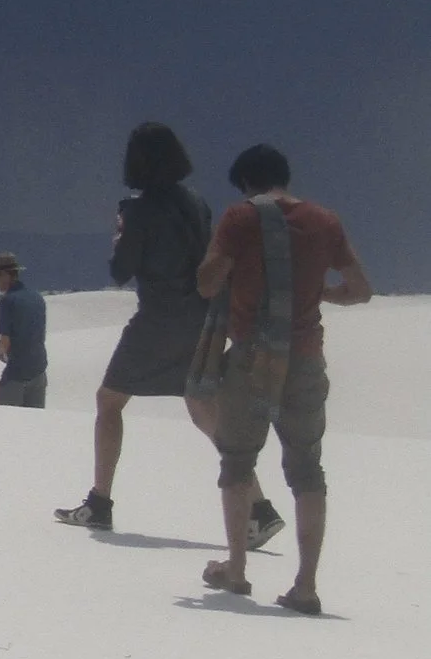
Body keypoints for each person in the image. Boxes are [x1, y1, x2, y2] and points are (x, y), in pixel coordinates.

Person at [54, 122, 284, 546]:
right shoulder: (196, 202)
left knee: (109, 400)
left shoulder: (138, 210)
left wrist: (122, 231)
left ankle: (99, 502)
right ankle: (259, 507)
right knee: (202, 406)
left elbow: (121, 271)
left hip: (159, 317)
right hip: (202, 316)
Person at [196, 143, 371, 614]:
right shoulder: (325, 221)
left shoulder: (239, 218)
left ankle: (236, 569)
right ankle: (306, 585)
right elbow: (361, 290)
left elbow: (207, 282)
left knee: (236, 461)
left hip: (253, 356)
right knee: (307, 469)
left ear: (248, 183)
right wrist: (317, 295)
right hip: (305, 357)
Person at [0, 251, 47, 407]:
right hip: (40, 370)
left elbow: (4, 342)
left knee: (2, 420)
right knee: (33, 425)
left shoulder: (7, 301)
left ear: (5, 275)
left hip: (18, 372)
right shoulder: (37, 297)